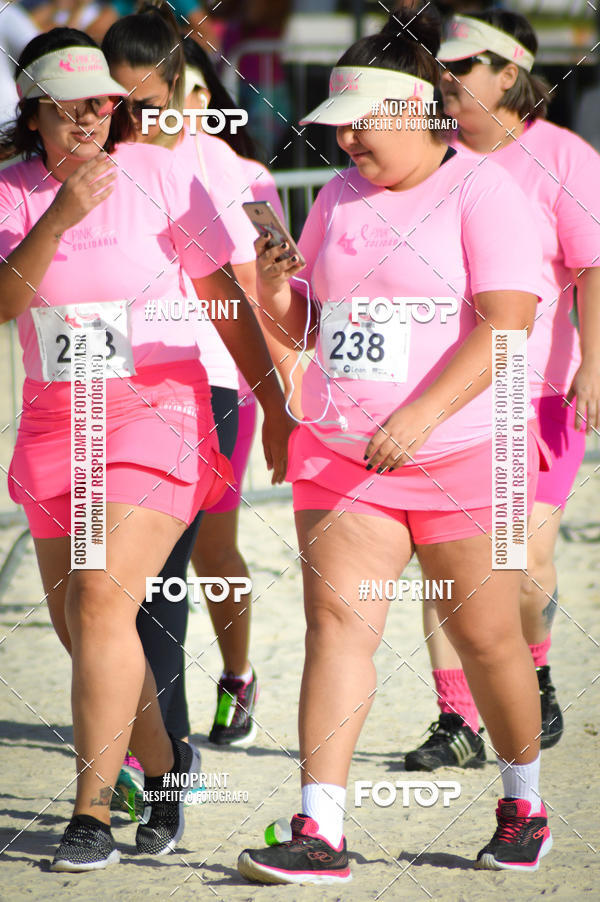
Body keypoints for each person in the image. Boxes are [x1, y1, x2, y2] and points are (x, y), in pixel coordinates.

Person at [236, 5, 554, 883]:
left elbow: (505, 326)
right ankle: (320, 830)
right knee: (337, 630)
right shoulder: (337, 196)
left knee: (488, 638)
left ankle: (523, 803)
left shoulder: (487, 190)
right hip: (343, 456)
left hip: (462, 456)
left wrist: (417, 417)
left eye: (360, 126)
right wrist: (272, 294)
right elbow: (316, 322)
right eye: (335, 130)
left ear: (417, 111)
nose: (343, 146)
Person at [0, 28, 289, 871]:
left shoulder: (163, 174)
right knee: (83, 626)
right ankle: (166, 767)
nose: (92, 116)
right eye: (72, 105)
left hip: (158, 407)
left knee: (99, 603)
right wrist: (58, 215)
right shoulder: (14, 191)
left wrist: (271, 401)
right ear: (36, 113)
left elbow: (225, 299)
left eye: (104, 101)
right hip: (57, 419)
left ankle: (91, 814)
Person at [101, 5, 300, 768]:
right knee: (132, 573)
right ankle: (145, 739)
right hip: (123, 386)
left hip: (220, 383)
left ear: (190, 88)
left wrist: (282, 399)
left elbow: (263, 290)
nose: (131, 117)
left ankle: (235, 678)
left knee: (210, 551)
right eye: (114, 100)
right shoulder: (96, 163)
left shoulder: (236, 171)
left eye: (149, 98)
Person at [404, 9, 600, 773]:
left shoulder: (564, 157)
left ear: (509, 74)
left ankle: (534, 668)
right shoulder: (429, 156)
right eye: (441, 67)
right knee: (446, 560)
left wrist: (595, 363)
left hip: (542, 392)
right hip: (455, 398)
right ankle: (455, 716)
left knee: (523, 564)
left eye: (462, 68)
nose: (445, 81)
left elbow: (590, 271)